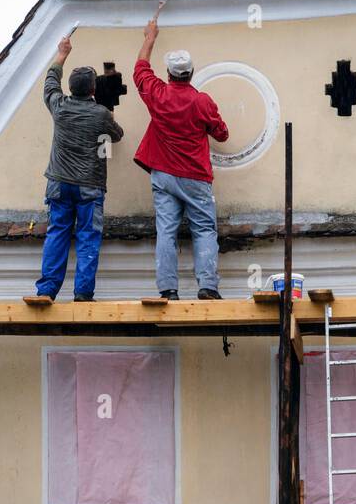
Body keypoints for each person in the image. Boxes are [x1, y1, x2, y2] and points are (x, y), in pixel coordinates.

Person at [133, 17, 229, 300]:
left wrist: (149, 37)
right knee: (204, 230)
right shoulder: (202, 101)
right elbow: (222, 134)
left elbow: (140, 69)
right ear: (191, 73)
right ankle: (207, 286)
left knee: (166, 231)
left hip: (162, 174)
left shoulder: (158, 93)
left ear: (169, 74)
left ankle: (168, 289)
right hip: (195, 176)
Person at [34, 36, 124, 302]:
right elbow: (116, 135)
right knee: (88, 236)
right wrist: (109, 110)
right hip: (89, 186)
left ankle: (46, 291)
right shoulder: (100, 114)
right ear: (93, 89)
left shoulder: (59, 106)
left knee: (57, 232)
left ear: (71, 88)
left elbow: (50, 81)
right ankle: (83, 293)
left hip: (59, 182)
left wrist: (62, 53)